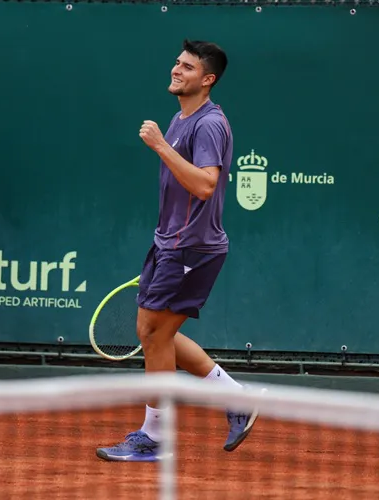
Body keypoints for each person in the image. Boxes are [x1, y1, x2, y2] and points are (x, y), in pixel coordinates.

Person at [96, 40, 261, 462]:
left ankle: (156, 436)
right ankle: (236, 397)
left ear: (207, 80)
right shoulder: (180, 116)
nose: (176, 70)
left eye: (187, 67)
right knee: (155, 333)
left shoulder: (208, 125)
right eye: (176, 62)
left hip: (192, 247)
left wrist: (160, 146)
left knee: (154, 333)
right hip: (169, 241)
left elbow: (205, 185)